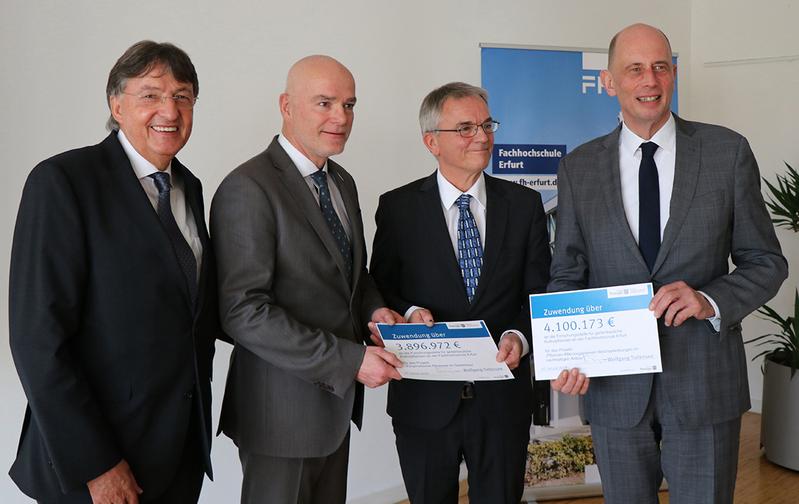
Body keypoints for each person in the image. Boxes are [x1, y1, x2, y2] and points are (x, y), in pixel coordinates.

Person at [549, 23, 788, 503]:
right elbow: (567, 276)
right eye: (634, 69)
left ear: (672, 74)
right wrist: (566, 353)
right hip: (615, 391)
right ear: (611, 81)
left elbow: (766, 262)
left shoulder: (727, 152)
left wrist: (709, 298)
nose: (650, 80)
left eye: (661, 66)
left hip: (704, 385)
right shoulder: (579, 168)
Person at [9, 41, 222, 503]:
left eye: (182, 96)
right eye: (150, 94)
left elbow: (193, 310)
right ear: (116, 104)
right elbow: (37, 341)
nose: (169, 109)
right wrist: (98, 464)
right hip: (96, 463)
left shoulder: (190, 187)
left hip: (179, 450)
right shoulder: (63, 181)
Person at [211, 54, 404, 504]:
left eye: (350, 104)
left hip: (333, 412)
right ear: (287, 105)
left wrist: (375, 309)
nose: (341, 118)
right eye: (325, 103)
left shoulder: (342, 181)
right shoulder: (249, 187)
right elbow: (243, 313)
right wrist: (350, 361)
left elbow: (350, 275)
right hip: (279, 417)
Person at [370, 82, 551, 503]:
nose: (483, 137)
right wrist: (410, 310)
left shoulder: (524, 206)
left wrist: (520, 338)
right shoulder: (398, 209)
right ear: (431, 141)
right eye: (466, 127)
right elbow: (379, 287)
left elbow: (538, 290)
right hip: (424, 401)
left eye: (487, 125)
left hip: (502, 402)